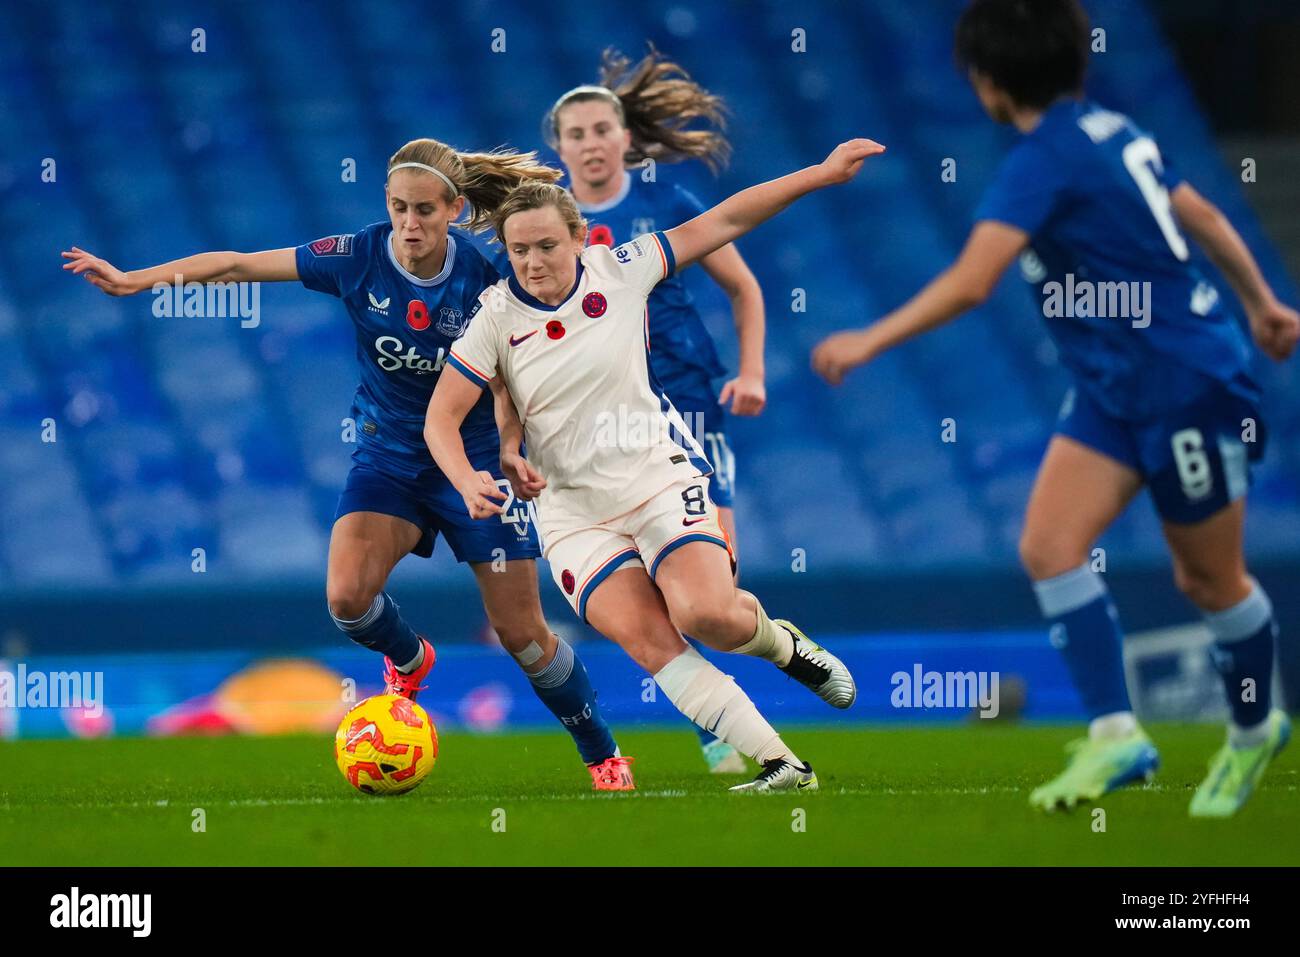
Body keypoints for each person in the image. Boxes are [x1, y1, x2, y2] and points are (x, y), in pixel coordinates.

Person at [811, 0, 1298, 817]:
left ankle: (1254, 730)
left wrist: (868, 340)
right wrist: (1263, 302)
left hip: (1187, 382)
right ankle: (1116, 735)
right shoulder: (1114, 128)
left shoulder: (1042, 161)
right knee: (1049, 545)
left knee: (1207, 579)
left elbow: (973, 281)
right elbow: (1203, 210)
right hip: (1114, 388)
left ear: (991, 82)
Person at [61, 138, 636, 791]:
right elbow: (238, 265)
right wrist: (138, 278)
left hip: (473, 469)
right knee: (346, 598)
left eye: (424, 210)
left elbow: (508, 376)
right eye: (398, 208)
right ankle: (410, 657)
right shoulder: (357, 256)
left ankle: (602, 752)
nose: (410, 224)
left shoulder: (486, 277)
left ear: (453, 208)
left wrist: (507, 449)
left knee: (524, 636)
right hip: (389, 459)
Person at [426, 138, 884, 792]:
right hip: (571, 514)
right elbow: (441, 416)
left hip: (656, 479)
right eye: (519, 249)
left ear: (579, 236)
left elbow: (723, 221)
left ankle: (785, 647)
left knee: (707, 616)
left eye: (547, 246)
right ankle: (785, 764)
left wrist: (819, 170)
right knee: (651, 642)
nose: (532, 262)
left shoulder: (621, 269)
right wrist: (471, 474)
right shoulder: (495, 317)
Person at [532, 46, 767, 774]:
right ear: (558, 147)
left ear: (625, 136)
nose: (591, 144)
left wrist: (752, 371)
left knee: (710, 587)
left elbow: (744, 287)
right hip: (601, 423)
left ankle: (771, 645)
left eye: (602, 129)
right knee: (642, 586)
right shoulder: (542, 223)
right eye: (576, 134)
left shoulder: (665, 205)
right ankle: (717, 726)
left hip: (688, 398)